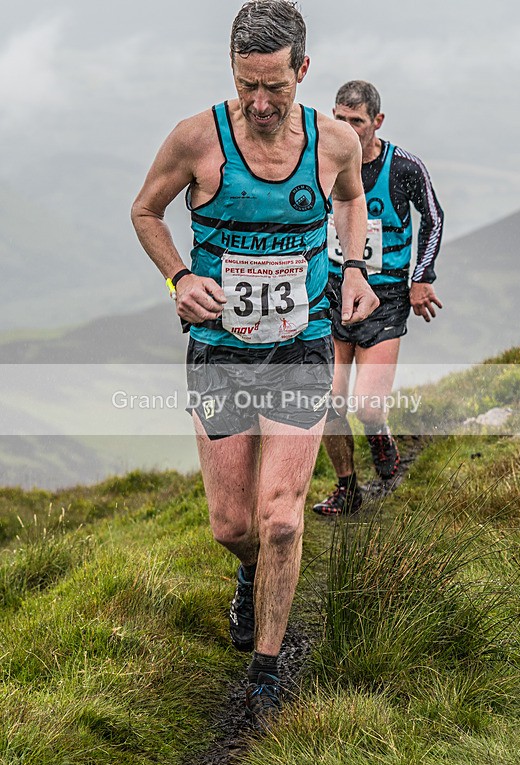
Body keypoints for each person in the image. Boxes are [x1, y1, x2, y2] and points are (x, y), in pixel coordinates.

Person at [131, 1, 378, 727]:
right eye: (247, 87)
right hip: (220, 352)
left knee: (279, 520)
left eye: (275, 86)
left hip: (299, 349)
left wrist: (354, 267)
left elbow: (353, 198)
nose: (261, 104)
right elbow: (145, 211)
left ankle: (266, 674)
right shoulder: (195, 138)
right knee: (232, 525)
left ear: (303, 70)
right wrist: (180, 278)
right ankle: (248, 576)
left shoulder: (332, 141)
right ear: (232, 73)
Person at [312, 80, 444, 517]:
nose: (346, 129)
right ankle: (347, 486)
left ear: (377, 122)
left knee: (367, 406)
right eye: (340, 119)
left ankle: (379, 434)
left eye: (357, 121)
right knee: (327, 399)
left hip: (385, 295)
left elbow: (434, 217)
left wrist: (421, 276)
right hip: (332, 292)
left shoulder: (403, 167)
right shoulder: (322, 160)